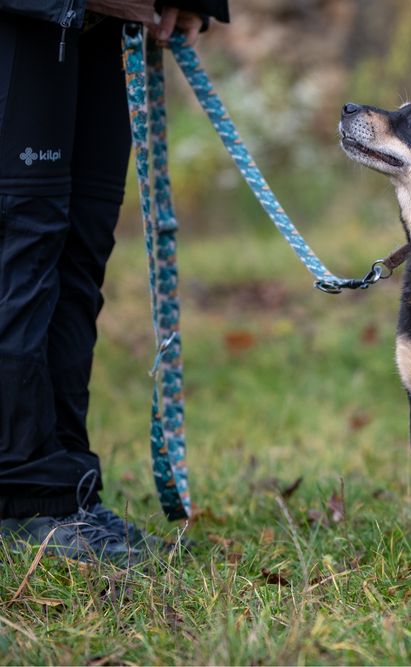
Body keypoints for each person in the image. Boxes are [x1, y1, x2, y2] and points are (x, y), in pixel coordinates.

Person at [0, 0, 229, 562]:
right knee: (22, 246)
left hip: (109, 24)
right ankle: (23, 495)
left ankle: (62, 487)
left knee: (81, 246)